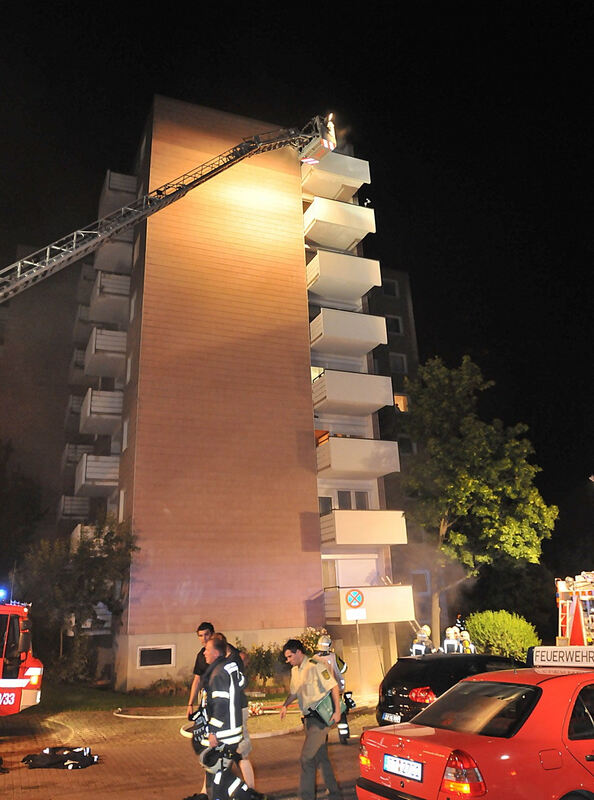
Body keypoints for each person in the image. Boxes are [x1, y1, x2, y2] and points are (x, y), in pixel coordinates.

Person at [280, 639, 342, 800]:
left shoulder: (316, 666)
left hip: (320, 719)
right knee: (321, 758)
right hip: (308, 720)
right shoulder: (295, 671)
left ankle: (306, 796)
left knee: (306, 758)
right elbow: (294, 692)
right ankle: (335, 793)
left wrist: (337, 711)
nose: (288, 660)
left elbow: (333, 686)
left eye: (289, 656)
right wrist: (285, 705)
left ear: (298, 652)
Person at [197, 636, 246, 800]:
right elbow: (241, 682)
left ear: (216, 652)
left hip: (224, 734)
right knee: (221, 774)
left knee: (217, 778)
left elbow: (220, 706)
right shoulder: (230, 667)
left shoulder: (217, 674)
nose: (204, 652)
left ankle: (244, 794)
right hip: (232, 731)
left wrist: (213, 732)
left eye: (207, 649)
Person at [212, 632, 255, 789]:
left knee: (241, 753)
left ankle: (249, 790)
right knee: (226, 756)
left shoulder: (232, 660)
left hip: (236, 711)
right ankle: (209, 791)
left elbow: (240, 682)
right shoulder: (228, 659)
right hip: (231, 713)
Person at [315, 634, 350, 744]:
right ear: (329, 645)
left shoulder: (314, 659)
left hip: (321, 694)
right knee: (341, 714)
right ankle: (343, 737)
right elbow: (344, 668)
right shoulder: (334, 657)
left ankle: (323, 739)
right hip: (336, 691)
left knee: (322, 716)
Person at [188, 621, 215, 718]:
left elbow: (243, 657)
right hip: (207, 698)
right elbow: (197, 680)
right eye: (201, 635)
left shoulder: (224, 649)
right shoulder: (200, 656)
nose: (204, 638)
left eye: (206, 634)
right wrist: (190, 704)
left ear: (212, 634)